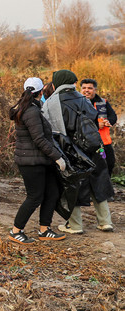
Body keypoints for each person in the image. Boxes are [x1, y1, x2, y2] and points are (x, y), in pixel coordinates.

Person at [43, 70, 115, 234]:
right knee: (98, 180)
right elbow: (94, 120)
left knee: (72, 184)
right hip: (92, 146)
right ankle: (105, 222)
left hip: (71, 149)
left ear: (58, 82)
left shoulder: (53, 101)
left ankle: (75, 225)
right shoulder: (83, 99)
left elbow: (49, 129)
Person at [7, 77, 67, 244]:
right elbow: (39, 139)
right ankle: (16, 231)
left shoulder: (30, 107)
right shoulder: (31, 111)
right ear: (41, 92)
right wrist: (57, 157)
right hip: (30, 161)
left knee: (52, 193)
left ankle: (44, 229)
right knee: (34, 197)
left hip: (40, 159)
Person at [80, 78, 117, 177]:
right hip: (86, 143)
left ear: (95, 90)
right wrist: (97, 125)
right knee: (90, 169)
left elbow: (113, 116)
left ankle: (107, 184)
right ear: (80, 89)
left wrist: (108, 121)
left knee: (110, 164)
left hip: (104, 141)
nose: (86, 90)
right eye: (84, 88)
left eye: (89, 88)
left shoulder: (103, 102)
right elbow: (77, 122)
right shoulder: (78, 103)